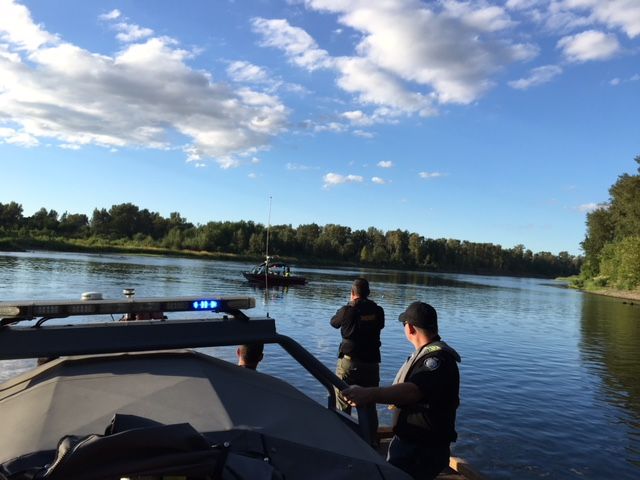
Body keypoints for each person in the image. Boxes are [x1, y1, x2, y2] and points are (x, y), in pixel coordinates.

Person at [341, 302, 460, 480]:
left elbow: (413, 391)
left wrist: (369, 394)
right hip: (414, 444)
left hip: (420, 449)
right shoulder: (428, 355)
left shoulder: (436, 360)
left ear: (410, 328)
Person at [330, 277, 385, 442]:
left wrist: (350, 305)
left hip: (349, 363)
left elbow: (334, 323)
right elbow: (379, 325)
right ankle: (372, 442)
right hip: (372, 365)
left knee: (342, 403)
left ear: (352, 293)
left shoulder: (348, 310)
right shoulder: (378, 311)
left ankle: (343, 440)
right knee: (369, 404)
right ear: (368, 293)